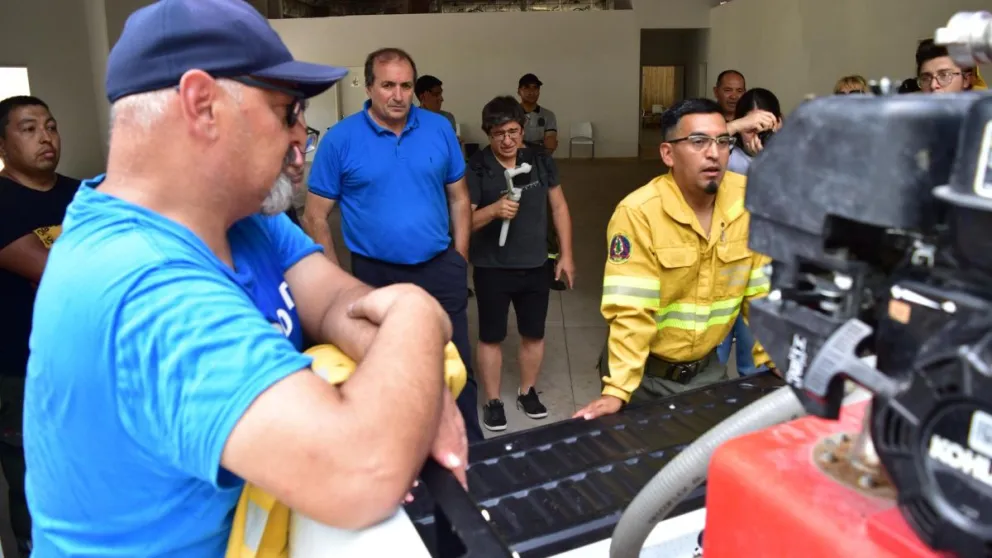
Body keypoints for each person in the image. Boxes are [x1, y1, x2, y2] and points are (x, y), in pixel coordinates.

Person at [23, 1, 467, 556]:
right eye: (287, 112)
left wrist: (409, 387)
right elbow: (358, 471)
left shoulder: (243, 219)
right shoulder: (141, 282)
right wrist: (419, 317)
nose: (301, 140)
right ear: (202, 106)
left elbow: (335, 301)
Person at [303, 47, 482, 442]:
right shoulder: (340, 140)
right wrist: (335, 285)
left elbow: (459, 197)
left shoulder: (438, 129)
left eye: (405, 86)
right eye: (388, 85)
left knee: (457, 362)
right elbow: (315, 216)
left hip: (440, 268)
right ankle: (402, 450)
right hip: (375, 274)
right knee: (387, 365)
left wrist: (460, 258)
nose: (398, 95)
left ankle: (471, 447)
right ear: (370, 87)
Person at [573, 98, 776, 420]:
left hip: (708, 370)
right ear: (668, 154)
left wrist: (779, 361)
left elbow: (763, 294)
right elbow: (631, 310)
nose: (713, 153)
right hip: (645, 377)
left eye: (723, 142)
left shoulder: (749, 199)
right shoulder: (639, 213)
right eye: (698, 142)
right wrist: (618, 390)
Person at [0, 94, 80, 555]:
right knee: (34, 479)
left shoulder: (82, 195)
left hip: (85, 363)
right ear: (4, 145)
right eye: (28, 129)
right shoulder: (1, 202)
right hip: (23, 373)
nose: (45, 137)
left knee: (86, 467)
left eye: (49, 125)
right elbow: (58, 273)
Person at [467, 96, 575, 432]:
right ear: (488, 134)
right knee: (491, 337)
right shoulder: (477, 167)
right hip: (491, 267)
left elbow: (558, 208)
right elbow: (462, 221)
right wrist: (492, 211)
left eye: (513, 131)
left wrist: (567, 255)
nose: (508, 140)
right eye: (498, 134)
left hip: (535, 264)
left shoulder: (540, 160)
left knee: (533, 333)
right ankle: (493, 400)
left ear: (523, 128)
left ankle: (527, 391)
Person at [727, 88, 782, 175]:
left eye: (764, 128)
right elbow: (704, 140)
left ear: (779, 123)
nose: (757, 137)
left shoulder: (791, 154)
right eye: (751, 130)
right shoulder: (727, 154)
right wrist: (735, 125)